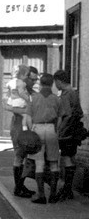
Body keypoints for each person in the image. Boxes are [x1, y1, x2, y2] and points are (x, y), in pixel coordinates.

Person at [25, 73, 64, 204]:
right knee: (53, 163)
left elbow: (29, 118)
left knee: (39, 163)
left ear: (40, 84)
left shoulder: (33, 98)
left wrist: (32, 131)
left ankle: (41, 195)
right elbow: (59, 118)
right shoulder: (57, 99)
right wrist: (56, 131)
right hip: (51, 129)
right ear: (52, 84)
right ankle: (53, 195)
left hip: (38, 129)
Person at [54, 70, 86, 201]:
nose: (55, 85)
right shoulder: (74, 93)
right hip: (74, 131)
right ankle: (68, 189)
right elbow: (80, 113)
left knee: (66, 159)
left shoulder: (66, 95)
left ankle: (67, 189)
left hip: (66, 132)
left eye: (56, 82)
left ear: (59, 81)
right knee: (70, 158)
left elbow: (65, 116)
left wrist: (59, 132)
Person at [3, 64, 35, 198]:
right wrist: (26, 110)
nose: (32, 81)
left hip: (29, 126)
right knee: (19, 155)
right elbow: (6, 106)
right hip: (19, 126)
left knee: (26, 157)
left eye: (34, 79)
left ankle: (21, 186)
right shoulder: (19, 90)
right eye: (30, 78)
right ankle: (18, 187)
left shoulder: (32, 93)